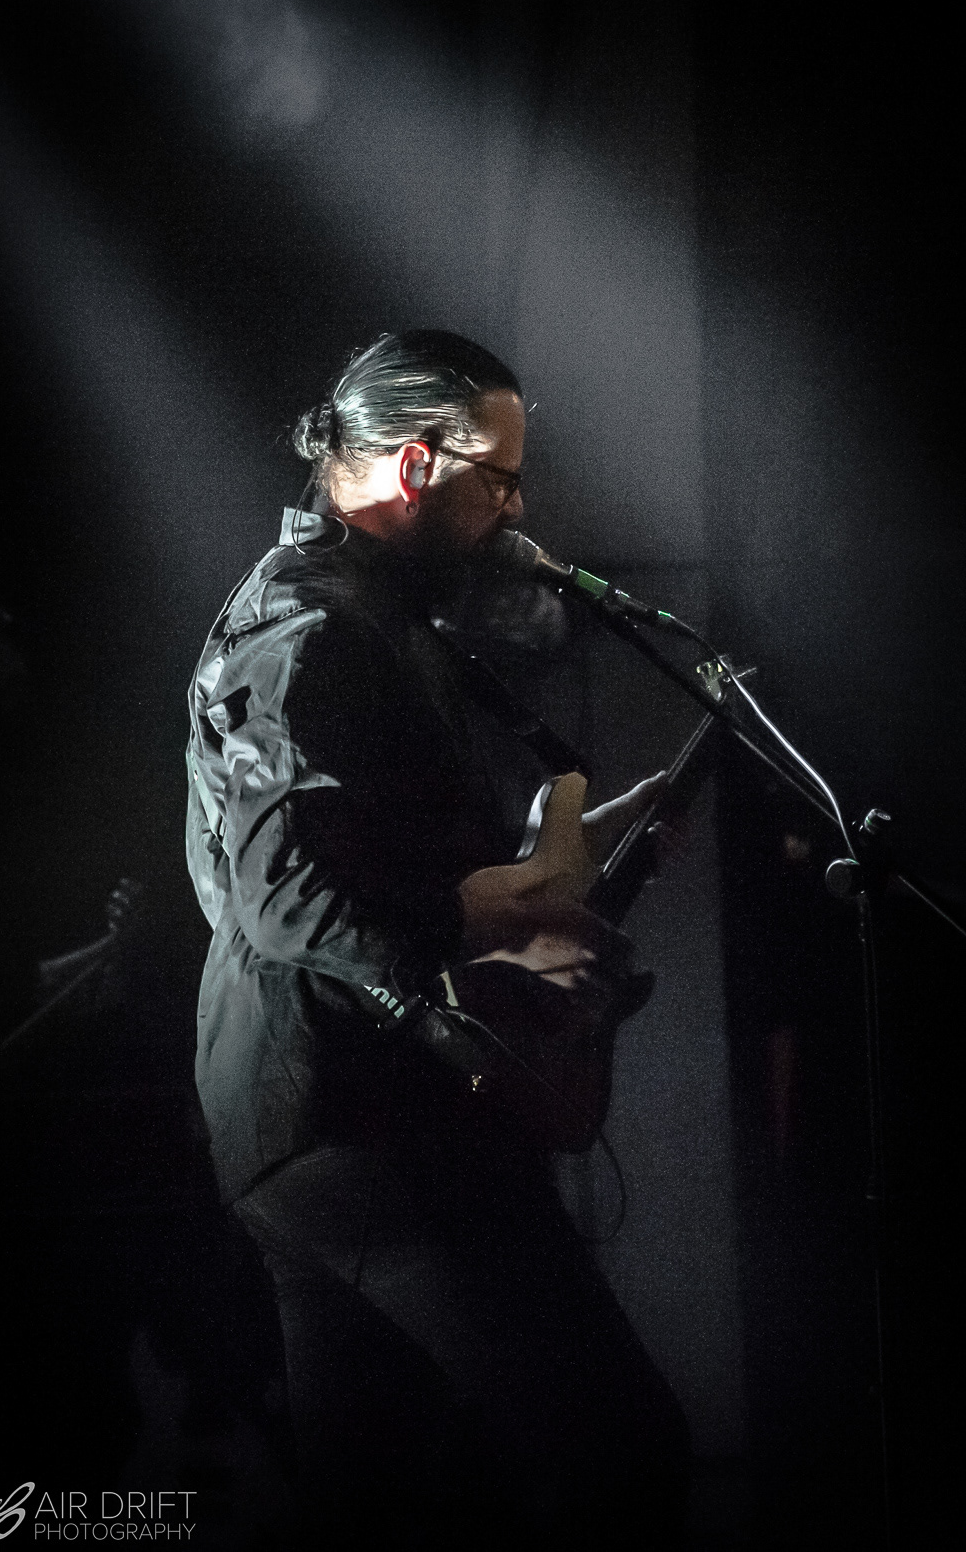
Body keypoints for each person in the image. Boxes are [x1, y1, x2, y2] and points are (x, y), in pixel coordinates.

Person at [186, 330, 690, 1545]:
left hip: (325, 1111)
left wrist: (533, 875)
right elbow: (284, 895)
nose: (514, 508)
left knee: (377, 1500)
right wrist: (482, 923)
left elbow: (376, 866)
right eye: (499, 479)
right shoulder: (304, 631)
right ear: (417, 464)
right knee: (621, 1451)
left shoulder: (376, 619)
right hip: (353, 1112)